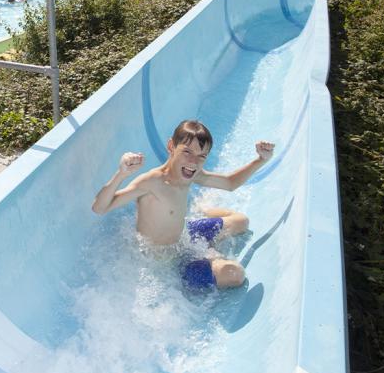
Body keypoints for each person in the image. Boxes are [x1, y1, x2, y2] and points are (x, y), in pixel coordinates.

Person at [92, 120, 275, 290]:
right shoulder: (152, 181)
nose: (193, 162)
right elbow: (99, 208)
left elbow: (229, 183)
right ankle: (209, 254)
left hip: (184, 237)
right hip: (167, 261)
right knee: (235, 274)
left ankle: (204, 210)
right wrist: (121, 174)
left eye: (201, 156)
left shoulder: (193, 173)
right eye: (187, 152)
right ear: (171, 146)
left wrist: (261, 160)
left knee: (241, 221)